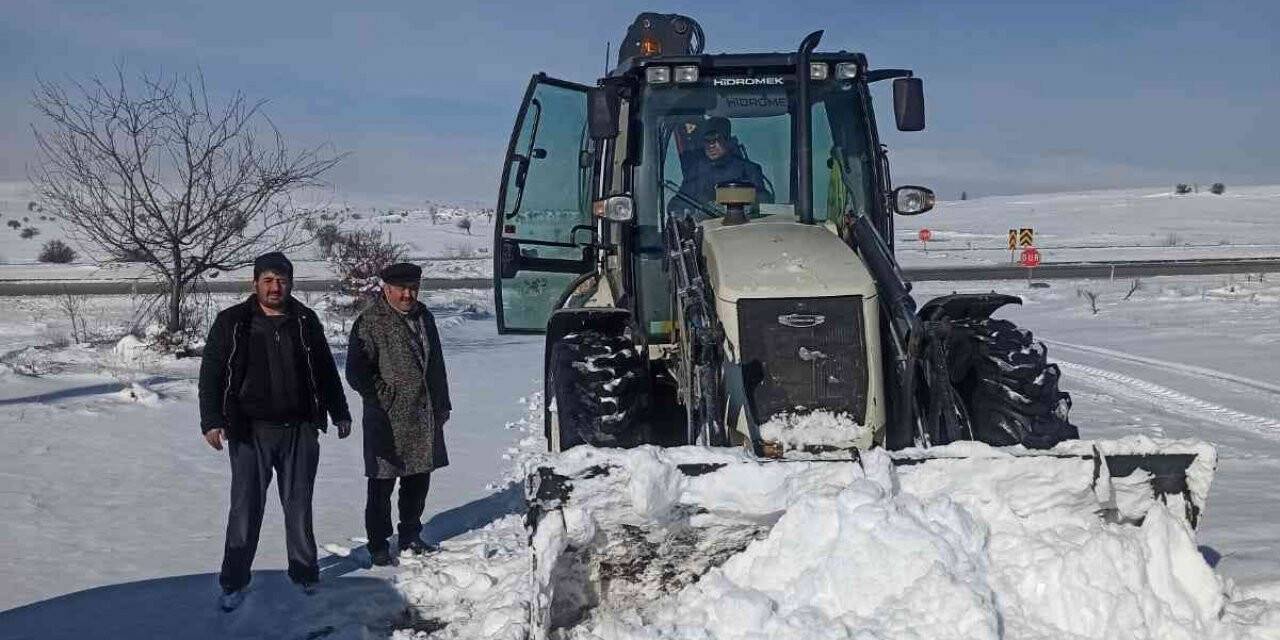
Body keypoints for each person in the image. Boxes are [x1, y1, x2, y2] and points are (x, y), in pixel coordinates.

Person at [198, 251, 352, 612]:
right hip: (250, 431)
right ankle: (234, 581)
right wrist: (211, 421)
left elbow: (327, 370)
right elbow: (211, 375)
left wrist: (339, 411)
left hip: (299, 429)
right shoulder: (233, 322)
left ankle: (304, 574)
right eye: (267, 280)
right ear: (255, 283)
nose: (275, 287)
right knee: (246, 508)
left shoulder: (305, 320)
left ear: (291, 283)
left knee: (298, 506)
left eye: (281, 280)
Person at [345, 262, 451, 567]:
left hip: (423, 413)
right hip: (387, 418)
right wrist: (386, 397)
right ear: (386, 288)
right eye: (402, 289)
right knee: (382, 484)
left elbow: (436, 365)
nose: (408, 295)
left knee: (418, 479)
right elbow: (356, 372)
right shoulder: (370, 322)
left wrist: (442, 404)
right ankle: (378, 544)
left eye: (413, 288)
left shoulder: (424, 316)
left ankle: (410, 535)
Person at [673, 116, 774, 214]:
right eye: (707, 140)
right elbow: (676, 205)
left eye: (716, 139)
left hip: (744, 227)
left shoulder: (749, 170)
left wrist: (737, 206)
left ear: (727, 140)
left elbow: (764, 201)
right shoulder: (696, 172)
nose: (711, 145)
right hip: (706, 229)